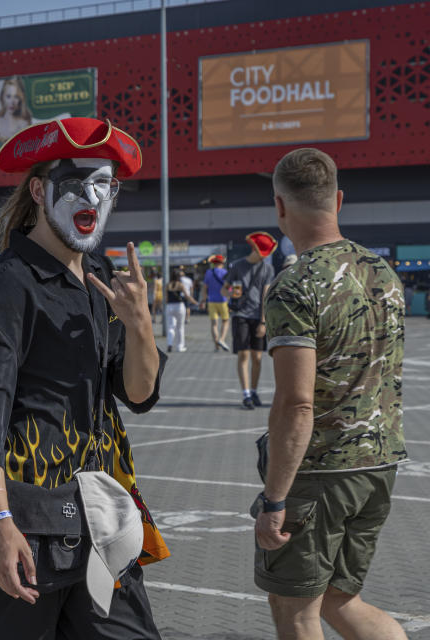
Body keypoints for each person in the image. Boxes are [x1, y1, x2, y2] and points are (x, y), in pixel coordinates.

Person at [0, 117, 170, 639]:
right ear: (39, 190)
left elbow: (140, 393)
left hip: (102, 518)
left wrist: (141, 325)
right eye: (76, 184)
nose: (92, 198)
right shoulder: (11, 282)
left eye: (104, 186)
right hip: (29, 523)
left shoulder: (99, 277)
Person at [254, 147, 408, 640]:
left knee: (294, 608)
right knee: (341, 600)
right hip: (379, 463)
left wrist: (274, 499)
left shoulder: (295, 285)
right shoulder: (384, 273)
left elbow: (296, 403)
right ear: (338, 200)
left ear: (280, 206)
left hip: (322, 471)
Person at [222, 231, 277, 410]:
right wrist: (231, 293)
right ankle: (246, 394)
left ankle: (254, 390)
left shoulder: (268, 269)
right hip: (241, 315)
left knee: (258, 357)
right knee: (244, 354)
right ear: (253, 248)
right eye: (260, 251)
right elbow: (225, 289)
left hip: (257, 317)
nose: (262, 255)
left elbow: (266, 295)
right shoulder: (237, 266)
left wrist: (263, 322)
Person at [0, 76, 33, 158]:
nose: (12, 102)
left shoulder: (25, 123)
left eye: (16, 97)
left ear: (21, 99)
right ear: (2, 97)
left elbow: (30, 153)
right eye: (8, 96)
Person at [201, 254, 230, 351]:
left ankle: (216, 346)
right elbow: (228, 288)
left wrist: (203, 300)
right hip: (223, 300)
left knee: (214, 324)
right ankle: (221, 339)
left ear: (213, 263)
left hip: (211, 301)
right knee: (225, 321)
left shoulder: (208, 272)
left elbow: (205, 288)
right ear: (222, 263)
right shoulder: (225, 272)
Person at [165, 266, 197, 353]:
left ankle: (169, 343)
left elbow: (166, 299)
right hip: (179, 306)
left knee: (171, 327)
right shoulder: (180, 285)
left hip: (169, 306)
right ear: (178, 276)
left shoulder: (168, 285)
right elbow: (187, 296)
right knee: (180, 327)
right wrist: (195, 302)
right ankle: (180, 346)